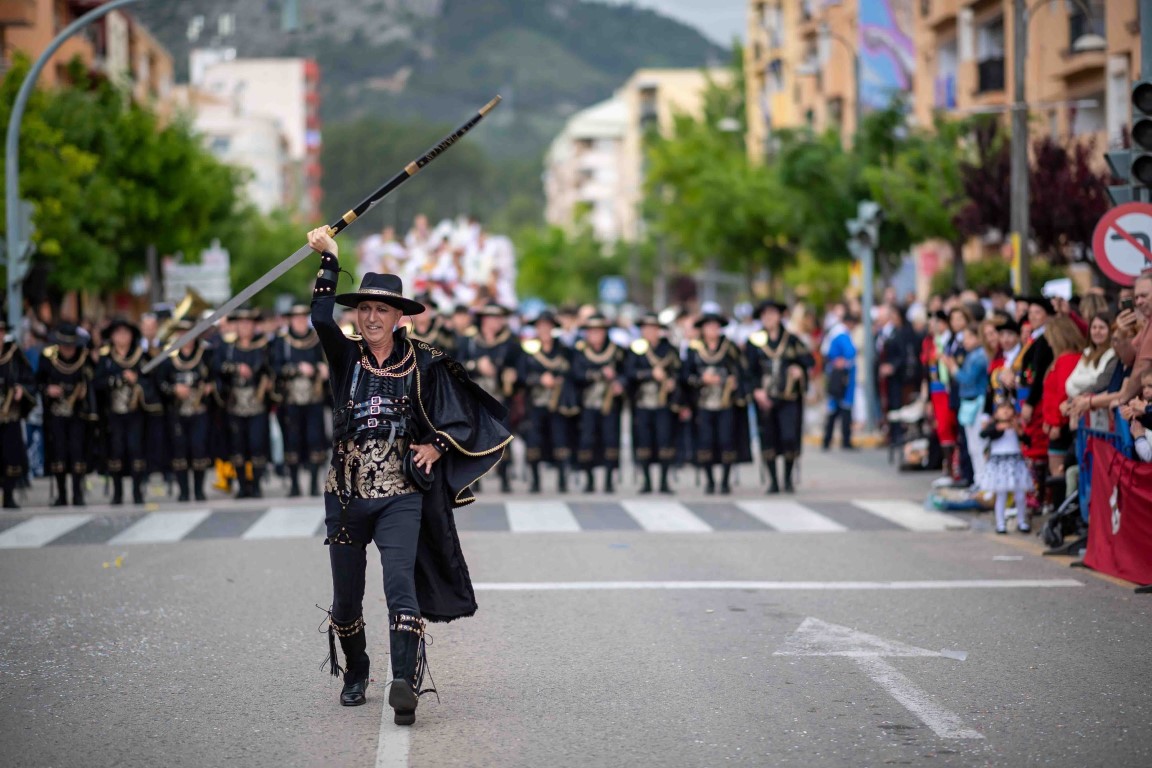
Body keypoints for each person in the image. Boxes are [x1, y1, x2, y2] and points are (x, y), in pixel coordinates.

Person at [307, 226, 512, 724]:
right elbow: (319, 316)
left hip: (401, 495)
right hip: (346, 496)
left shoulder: (424, 362)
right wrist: (330, 260)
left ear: (399, 316)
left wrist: (436, 445)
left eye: (382, 309)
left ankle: (404, 682)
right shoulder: (345, 357)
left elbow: (459, 415)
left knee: (401, 585)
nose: (371, 317)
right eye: (364, 308)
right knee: (345, 601)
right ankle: (357, 671)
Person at [745, 300, 813, 493]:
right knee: (768, 437)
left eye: (772, 314)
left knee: (789, 436)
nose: (769, 318)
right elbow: (748, 370)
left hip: (789, 397)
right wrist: (755, 390)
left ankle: (788, 479)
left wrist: (799, 370)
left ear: (779, 316)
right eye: (765, 314)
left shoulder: (791, 340)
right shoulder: (755, 341)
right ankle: (773, 481)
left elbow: (808, 360)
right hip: (765, 398)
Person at [682, 312, 750, 494]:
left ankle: (725, 481)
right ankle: (710, 480)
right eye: (708, 326)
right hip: (703, 403)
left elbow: (742, 371)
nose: (712, 330)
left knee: (726, 439)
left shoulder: (729, 348)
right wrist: (701, 379)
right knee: (705, 441)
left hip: (726, 403)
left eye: (715, 326)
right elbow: (685, 375)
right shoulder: (694, 349)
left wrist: (732, 382)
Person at [460, 304, 519, 493]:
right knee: (476, 438)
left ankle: (505, 477)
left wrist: (511, 374)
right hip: (476, 398)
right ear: (484, 320)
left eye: (499, 318)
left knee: (503, 438)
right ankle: (476, 479)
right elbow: (456, 365)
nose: (496, 322)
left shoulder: (510, 343)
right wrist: (476, 365)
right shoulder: (470, 341)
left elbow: (520, 366)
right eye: (492, 318)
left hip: (500, 397)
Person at [517, 310, 577, 493]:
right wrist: (538, 379)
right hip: (536, 404)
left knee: (560, 439)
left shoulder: (563, 350)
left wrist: (559, 380)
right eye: (540, 326)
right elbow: (521, 376)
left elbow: (573, 373)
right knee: (534, 441)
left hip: (558, 403)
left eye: (547, 326)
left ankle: (562, 480)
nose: (544, 329)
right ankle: (535, 480)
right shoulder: (529, 349)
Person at [155, 320, 215, 502]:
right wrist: (174, 389)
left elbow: (215, 376)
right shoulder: (169, 357)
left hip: (199, 410)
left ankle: (199, 490)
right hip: (177, 412)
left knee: (198, 447)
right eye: (181, 334)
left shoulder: (205, 354)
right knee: (179, 449)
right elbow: (159, 382)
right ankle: (183, 491)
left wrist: (210, 387)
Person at [272, 306, 329, 497]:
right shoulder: (282, 341)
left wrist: (318, 369)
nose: (299, 321)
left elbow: (327, 364)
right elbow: (275, 367)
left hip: (314, 398)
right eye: (296, 318)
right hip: (291, 399)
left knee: (315, 439)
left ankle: (313, 484)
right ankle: (294, 484)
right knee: (292, 441)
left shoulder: (317, 339)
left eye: (303, 318)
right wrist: (297, 369)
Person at [215, 308, 273, 499]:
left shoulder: (263, 347)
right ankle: (241, 485)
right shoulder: (228, 348)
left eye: (248, 323)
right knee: (237, 446)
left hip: (257, 404)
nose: (245, 327)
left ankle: (256, 485)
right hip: (234, 404)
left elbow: (271, 368)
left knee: (257, 444)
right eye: (241, 323)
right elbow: (217, 367)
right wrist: (235, 368)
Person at [94, 318, 152, 505]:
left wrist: (137, 380)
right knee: (116, 450)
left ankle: (137, 491)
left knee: (136, 448)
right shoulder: (106, 357)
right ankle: (117, 492)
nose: (122, 337)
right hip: (113, 412)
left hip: (135, 412)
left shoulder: (141, 356)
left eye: (125, 333)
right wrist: (116, 379)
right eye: (118, 333)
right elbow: (97, 382)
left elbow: (151, 381)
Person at [37, 322, 95, 507]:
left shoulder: (84, 358)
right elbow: (37, 381)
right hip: (55, 414)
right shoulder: (48, 358)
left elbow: (93, 380)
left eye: (71, 346)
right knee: (58, 452)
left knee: (77, 452)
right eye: (64, 346)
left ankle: (78, 493)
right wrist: (48, 389)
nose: (68, 350)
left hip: (78, 414)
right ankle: (61, 494)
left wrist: (85, 391)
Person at [625, 313, 682, 494]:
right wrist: (649, 374)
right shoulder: (636, 348)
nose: (649, 332)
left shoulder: (669, 349)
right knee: (644, 442)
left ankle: (664, 481)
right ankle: (647, 482)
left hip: (663, 403)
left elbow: (679, 371)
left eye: (653, 328)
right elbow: (629, 372)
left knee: (665, 440)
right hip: (642, 402)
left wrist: (672, 381)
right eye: (646, 328)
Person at [571, 314, 626, 493]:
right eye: (591, 331)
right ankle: (589, 479)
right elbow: (576, 374)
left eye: (598, 331)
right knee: (587, 440)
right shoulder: (580, 351)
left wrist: (619, 383)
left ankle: (609, 479)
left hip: (609, 404)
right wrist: (600, 374)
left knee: (611, 439)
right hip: (588, 403)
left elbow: (626, 373)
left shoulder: (617, 351)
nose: (594, 335)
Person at [978, 401, 1034, 534]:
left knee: (1020, 495)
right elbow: (983, 434)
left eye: (1009, 408)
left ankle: (1021, 521)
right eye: (1002, 408)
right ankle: (1000, 523)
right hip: (1000, 463)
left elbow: (1027, 440)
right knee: (1001, 495)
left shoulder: (1016, 426)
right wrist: (998, 428)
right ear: (996, 413)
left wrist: (1018, 430)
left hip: (1015, 462)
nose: (1006, 411)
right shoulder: (994, 427)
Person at [947, 325, 989, 488]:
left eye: (968, 337)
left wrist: (953, 369)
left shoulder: (980, 356)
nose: (965, 341)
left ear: (978, 338)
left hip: (977, 401)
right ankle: (978, 480)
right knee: (972, 445)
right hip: (968, 402)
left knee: (979, 444)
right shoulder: (971, 355)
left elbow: (968, 379)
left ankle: (983, 481)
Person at [0, 319, 34, 508]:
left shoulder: (13, 353)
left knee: (11, 455)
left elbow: (29, 377)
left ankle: (9, 495)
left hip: (10, 413)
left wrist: (22, 389)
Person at [822, 313, 858, 451]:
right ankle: (845, 440)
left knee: (833, 409)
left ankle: (827, 440)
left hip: (834, 376)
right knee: (845, 408)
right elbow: (850, 352)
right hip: (843, 378)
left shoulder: (834, 333)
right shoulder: (842, 334)